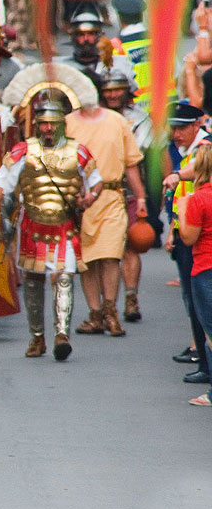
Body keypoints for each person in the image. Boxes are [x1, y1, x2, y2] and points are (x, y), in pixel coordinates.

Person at [0, 94, 102, 360]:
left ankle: (62, 334)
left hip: (64, 225)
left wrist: (90, 197)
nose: (48, 128)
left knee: (63, 278)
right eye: (44, 123)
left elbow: (97, 182)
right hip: (33, 225)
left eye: (53, 123)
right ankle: (37, 337)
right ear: (37, 124)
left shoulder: (79, 152)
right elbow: (0, 182)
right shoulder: (22, 151)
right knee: (33, 282)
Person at [67, 74, 146, 337]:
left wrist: (141, 197)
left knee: (111, 255)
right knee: (87, 259)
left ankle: (111, 310)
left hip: (112, 196)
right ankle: (95, 314)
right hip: (79, 202)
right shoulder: (67, 123)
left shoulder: (116, 121)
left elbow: (131, 163)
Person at [178, 144, 212, 406]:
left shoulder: (199, 198)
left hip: (205, 267)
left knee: (210, 330)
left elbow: (189, 237)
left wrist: (182, 206)